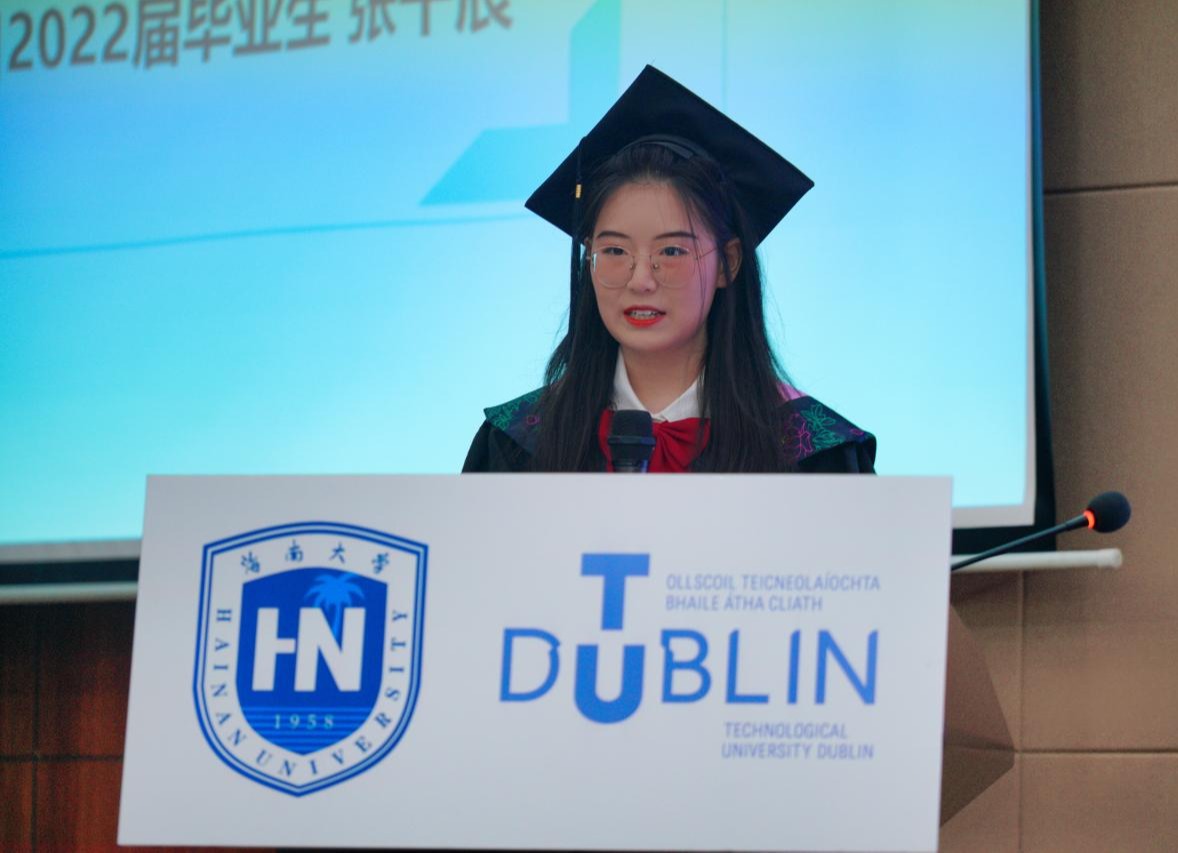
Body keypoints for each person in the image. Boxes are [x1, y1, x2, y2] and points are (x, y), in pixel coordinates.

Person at [463, 66, 875, 474]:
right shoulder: (520, 446)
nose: (640, 280)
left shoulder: (807, 452)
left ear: (728, 263)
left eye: (672, 251)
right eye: (615, 250)